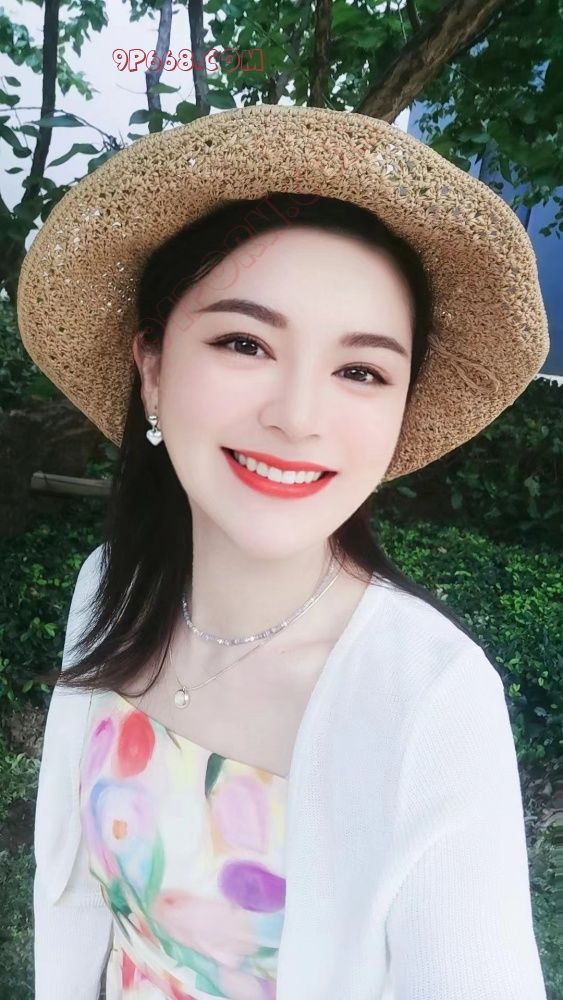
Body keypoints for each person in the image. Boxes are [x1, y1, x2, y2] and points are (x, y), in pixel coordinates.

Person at [17, 104, 549, 1000]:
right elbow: (73, 901)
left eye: (360, 370)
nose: (298, 416)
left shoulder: (430, 702)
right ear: (152, 368)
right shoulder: (111, 587)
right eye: (244, 342)